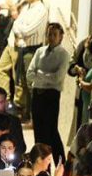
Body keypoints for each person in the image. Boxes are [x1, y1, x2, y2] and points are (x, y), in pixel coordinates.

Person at [26, 22, 71, 165]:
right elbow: (29, 74)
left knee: (51, 132)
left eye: (54, 35)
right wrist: (47, 77)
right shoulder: (40, 52)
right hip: (38, 95)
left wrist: (40, 75)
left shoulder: (63, 55)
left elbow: (57, 78)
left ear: (61, 37)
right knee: (38, 131)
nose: (51, 37)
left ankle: (60, 165)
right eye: (49, 34)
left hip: (51, 96)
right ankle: (41, 166)